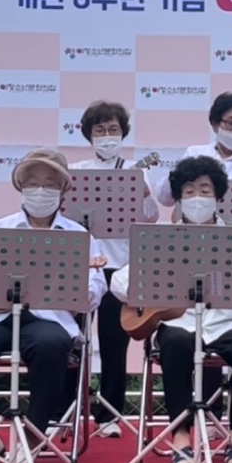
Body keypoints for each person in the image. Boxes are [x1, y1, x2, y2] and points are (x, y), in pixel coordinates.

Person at [0, 148, 107, 463]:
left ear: (64, 190)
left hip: (49, 320)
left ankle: (33, 436)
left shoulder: (78, 236)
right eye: (33, 183)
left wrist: (76, 287)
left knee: (51, 344)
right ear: (20, 186)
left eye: (50, 184)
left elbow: (95, 292)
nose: (40, 190)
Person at [110, 156, 232, 463]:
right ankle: (181, 438)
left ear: (218, 197)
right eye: (189, 191)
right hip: (177, 321)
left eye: (205, 191)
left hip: (226, 321)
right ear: (179, 198)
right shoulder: (161, 239)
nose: (197, 198)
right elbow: (119, 282)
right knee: (175, 344)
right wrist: (152, 288)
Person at [156, 91, 232, 443]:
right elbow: (165, 197)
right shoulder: (195, 153)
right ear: (215, 123)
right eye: (230, 122)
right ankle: (198, 421)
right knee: (182, 338)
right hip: (186, 251)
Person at [69, 100, 160, 439]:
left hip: (120, 265)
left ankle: (109, 412)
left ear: (123, 133)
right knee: (71, 339)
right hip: (81, 265)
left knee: (114, 342)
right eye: (100, 130)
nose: (107, 136)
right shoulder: (76, 171)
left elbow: (150, 218)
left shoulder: (136, 169)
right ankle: (66, 407)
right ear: (88, 135)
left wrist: (144, 191)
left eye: (113, 129)